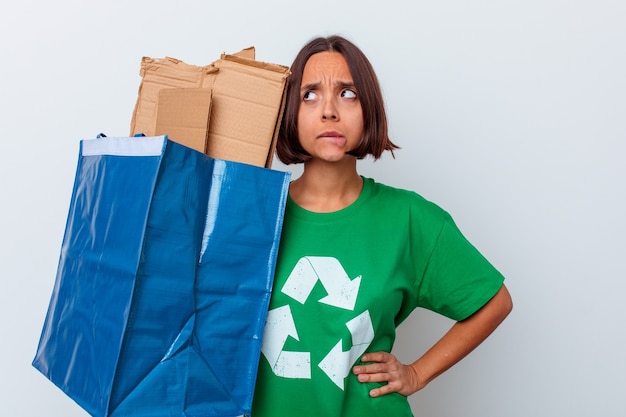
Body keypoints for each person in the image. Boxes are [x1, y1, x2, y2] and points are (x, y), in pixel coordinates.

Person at [252, 35, 513, 417]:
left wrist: (417, 374)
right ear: (289, 111)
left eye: (347, 93)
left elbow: (494, 301)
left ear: (368, 108)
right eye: (310, 94)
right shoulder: (253, 214)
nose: (328, 110)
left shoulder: (408, 218)